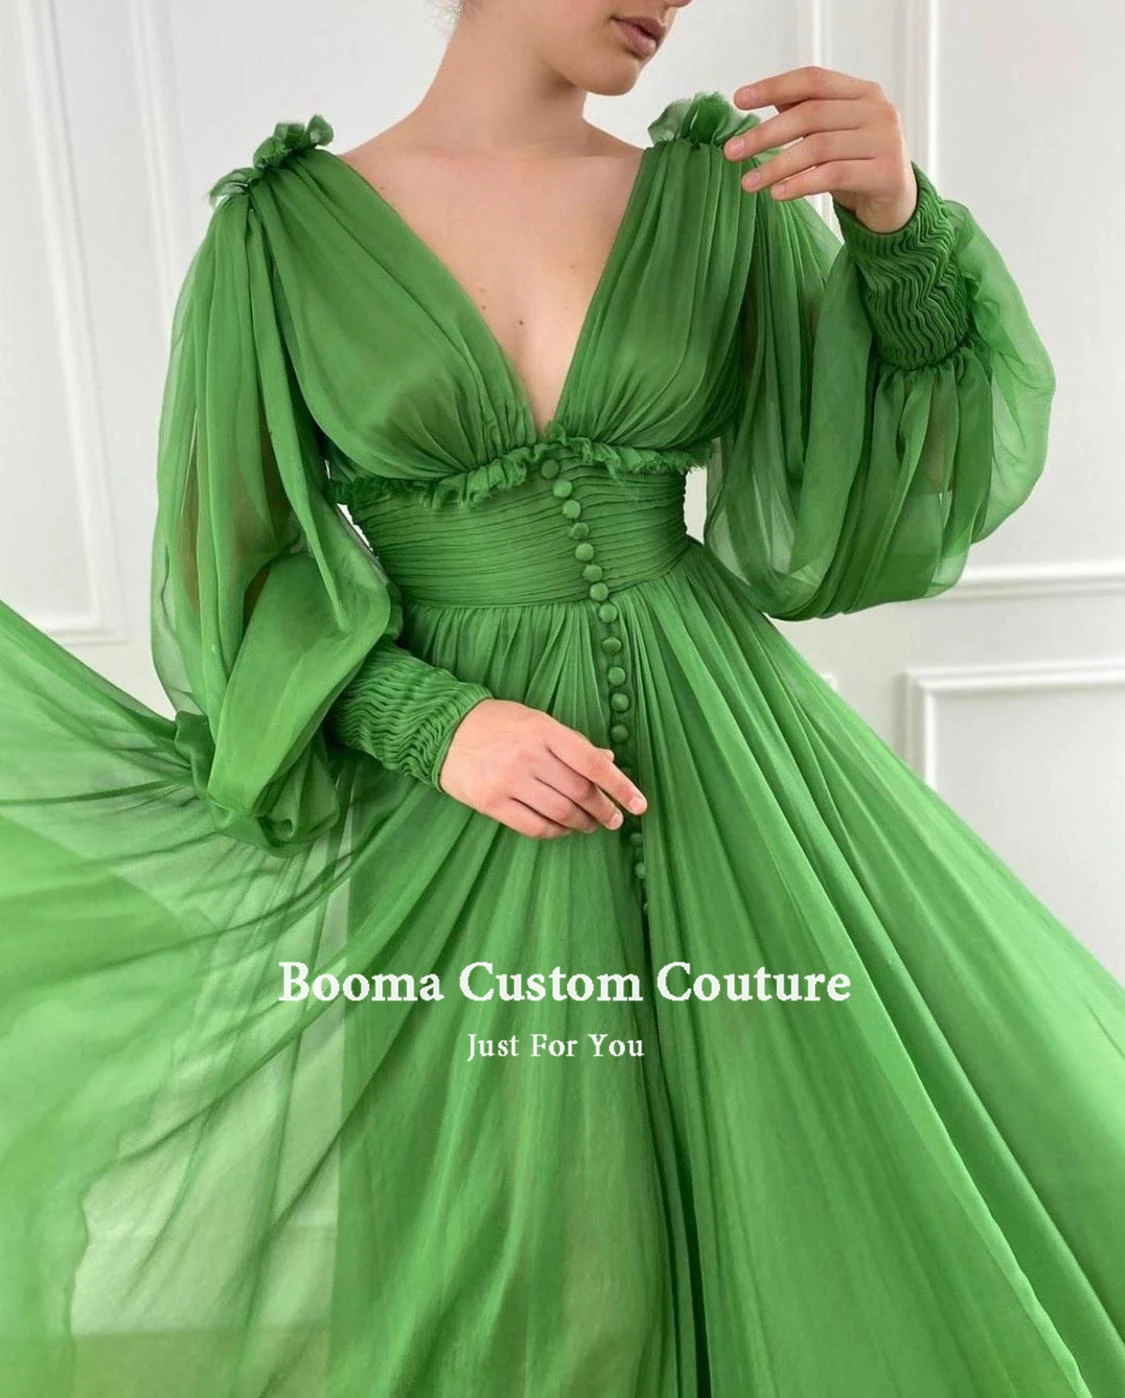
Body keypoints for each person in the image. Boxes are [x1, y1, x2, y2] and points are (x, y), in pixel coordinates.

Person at [2, 1, 1123, 1394]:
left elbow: (854, 512)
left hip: (732, 766)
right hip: (459, 812)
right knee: (517, 1248)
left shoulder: (718, 202)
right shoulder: (275, 242)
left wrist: (895, 229)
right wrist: (434, 724)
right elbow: (237, 581)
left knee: (804, 1177)